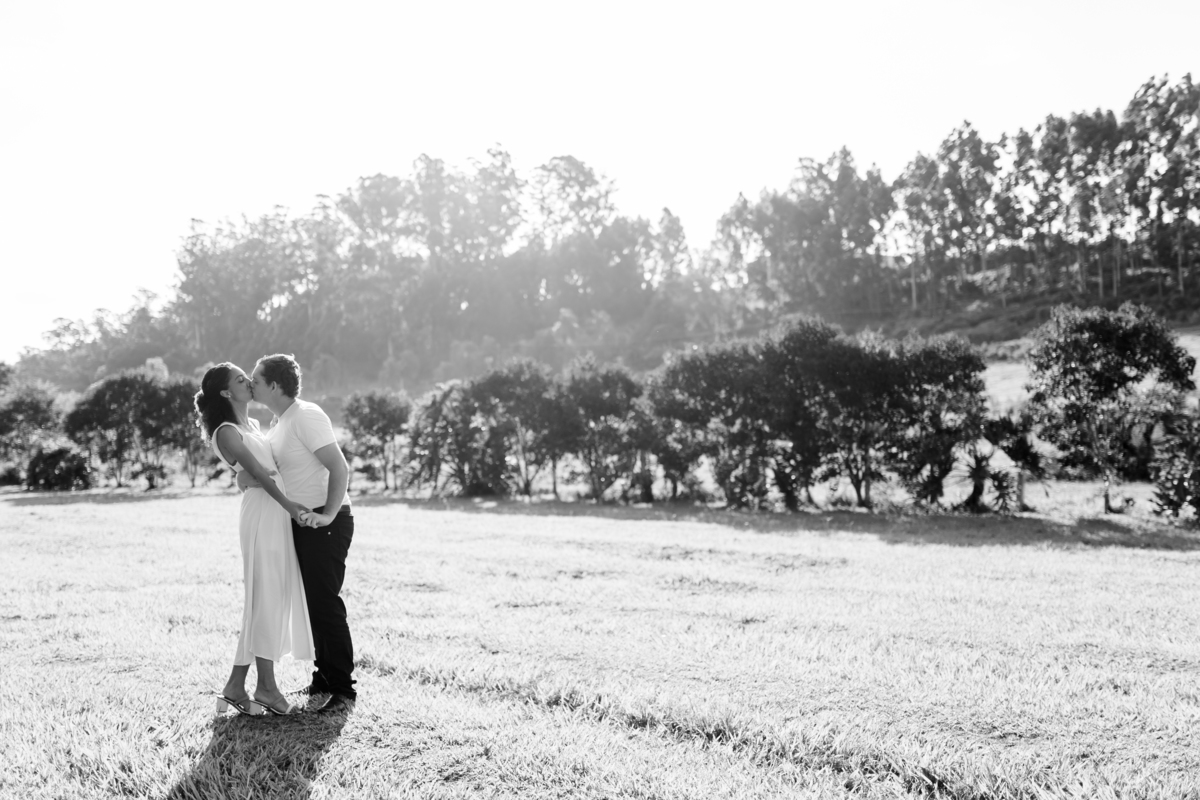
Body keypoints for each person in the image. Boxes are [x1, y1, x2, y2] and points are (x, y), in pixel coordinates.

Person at [194, 363, 314, 716]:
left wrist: (248, 480)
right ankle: (266, 688)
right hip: (263, 513)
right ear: (226, 392)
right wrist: (290, 506)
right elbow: (260, 473)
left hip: (273, 510)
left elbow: (263, 470)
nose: (248, 381)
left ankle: (235, 687)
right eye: (240, 379)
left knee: (266, 596)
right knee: (266, 596)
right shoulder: (226, 431)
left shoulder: (255, 426)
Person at [242, 353, 357, 715]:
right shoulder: (279, 422)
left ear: (274, 385)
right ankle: (323, 678)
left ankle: (343, 689)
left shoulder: (306, 415)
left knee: (325, 604)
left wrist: (328, 515)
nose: (251, 385)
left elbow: (339, 467)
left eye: (256, 380)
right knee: (312, 604)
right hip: (302, 523)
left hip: (327, 521)